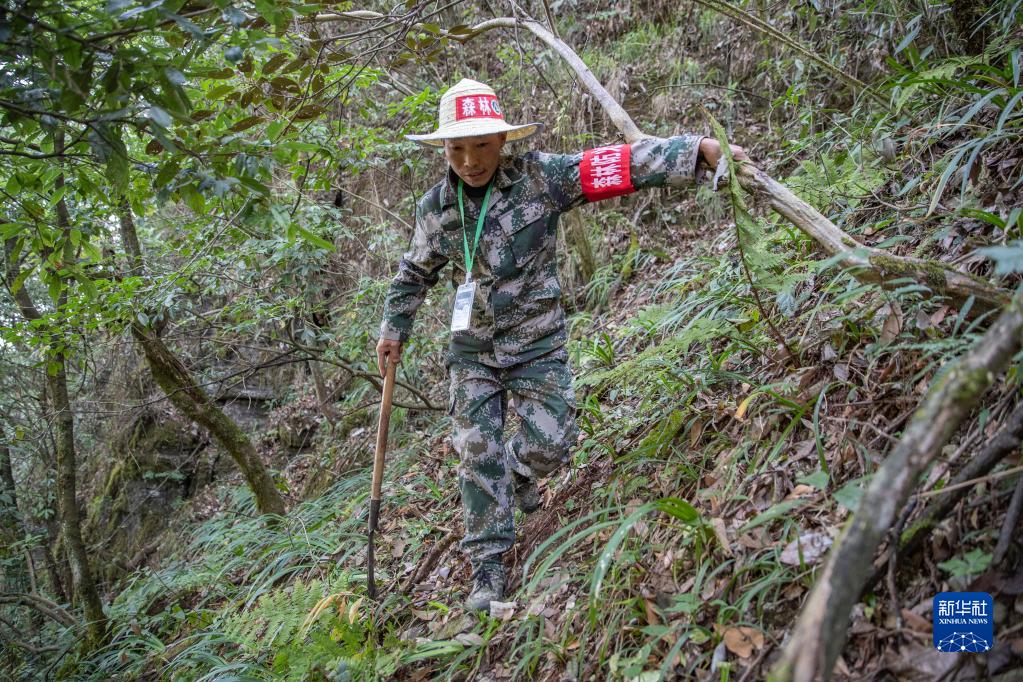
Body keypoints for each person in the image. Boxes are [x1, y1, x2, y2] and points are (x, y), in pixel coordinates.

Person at [376, 78, 746, 612]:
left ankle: (519, 474)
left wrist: (696, 153)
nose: (469, 160)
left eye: (481, 145)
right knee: (476, 452)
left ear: (503, 142)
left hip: (537, 342)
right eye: (456, 148)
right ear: (443, 149)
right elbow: (414, 274)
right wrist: (394, 329)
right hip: (472, 351)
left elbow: (618, 165)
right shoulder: (435, 208)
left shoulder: (541, 178)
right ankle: (488, 574)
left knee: (552, 442)